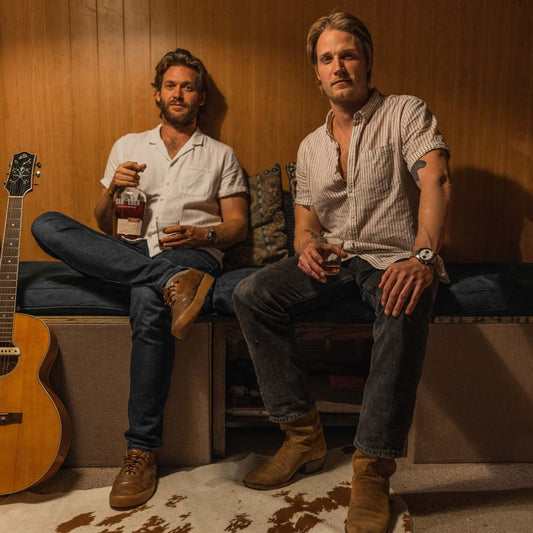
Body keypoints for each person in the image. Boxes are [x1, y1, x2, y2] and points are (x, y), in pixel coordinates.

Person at [233, 12, 451, 533]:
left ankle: (372, 468)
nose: (339, 66)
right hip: (336, 260)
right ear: (317, 73)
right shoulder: (310, 146)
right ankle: (302, 436)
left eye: (348, 54)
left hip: (393, 254)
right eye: (327, 58)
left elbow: (436, 181)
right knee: (250, 293)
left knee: (404, 300)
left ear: (367, 62)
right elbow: (306, 224)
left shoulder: (404, 112)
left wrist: (422, 259)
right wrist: (305, 247)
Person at [31, 48, 248, 509]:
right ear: (157, 94)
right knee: (46, 224)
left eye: (188, 86)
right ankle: (173, 283)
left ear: (201, 96)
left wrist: (202, 232)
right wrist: (112, 189)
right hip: (131, 250)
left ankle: (140, 451)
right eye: (170, 85)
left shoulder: (221, 155)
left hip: (193, 253)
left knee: (149, 304)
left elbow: (236, 227)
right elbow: (101, 221)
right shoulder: (128, 146)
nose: (178, 93)